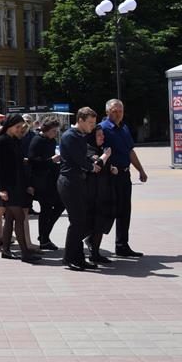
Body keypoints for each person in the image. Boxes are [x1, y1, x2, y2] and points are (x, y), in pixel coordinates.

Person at [98, 99, 148, 258]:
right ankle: (92, 239)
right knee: (109, 210)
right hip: (111, 175)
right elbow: (97, 150)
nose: (118, 114)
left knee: (124, 211)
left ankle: (122, 245)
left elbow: (130, 152)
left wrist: (141, 170)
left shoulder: (124, 128)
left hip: (125, 175)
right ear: (107, 112)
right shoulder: (102, 128)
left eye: (120, 111)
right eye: (114, 111)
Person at [59, 108, 102, 271]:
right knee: (77, 222)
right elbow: (78, 159)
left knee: (81, 221)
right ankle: (69, 258)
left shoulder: (79, 136)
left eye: (94, 123)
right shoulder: (71, 136)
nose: (92, 126)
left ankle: (79, 258)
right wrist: (92, 166)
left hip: (77, 181)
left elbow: (82, 156)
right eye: (90, 122)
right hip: (69, 182)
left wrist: (91, 159)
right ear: (81, 120)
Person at [0, 115, 41, 263]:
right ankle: (25, 252)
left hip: (17, 184)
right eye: (17, 127)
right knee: (20, 217)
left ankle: (6, 250)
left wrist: (26, 184)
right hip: (7, 186)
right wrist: (2, 188)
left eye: (21, 127)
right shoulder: (2, 141)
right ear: (9, 126)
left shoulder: (15, 140)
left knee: (10, 217)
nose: (20, 129)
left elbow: (19, 164)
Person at [28, 120, 64, 251]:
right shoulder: (37, 140)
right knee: (46, 208)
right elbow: (32, 160)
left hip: (52, 179)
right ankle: (44, 238)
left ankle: (44, 235)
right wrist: (50, 160)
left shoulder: (51, 141)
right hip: (41, 181)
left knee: (60, 205)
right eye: (53, 131)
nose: (55, 133)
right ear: (46, 130)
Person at [86, 126, 118, 264]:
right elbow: (96, 165)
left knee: (103, 221)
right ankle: (93, 251)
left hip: (105, 191)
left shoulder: (102, 149)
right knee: (95, 222)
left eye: (102, 135)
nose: (102, 137)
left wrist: (112, 169)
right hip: (93, 193)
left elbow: (106, 166)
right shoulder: (89, 150)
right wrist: (106, 156)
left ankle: (95, 249)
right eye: (99, 135)